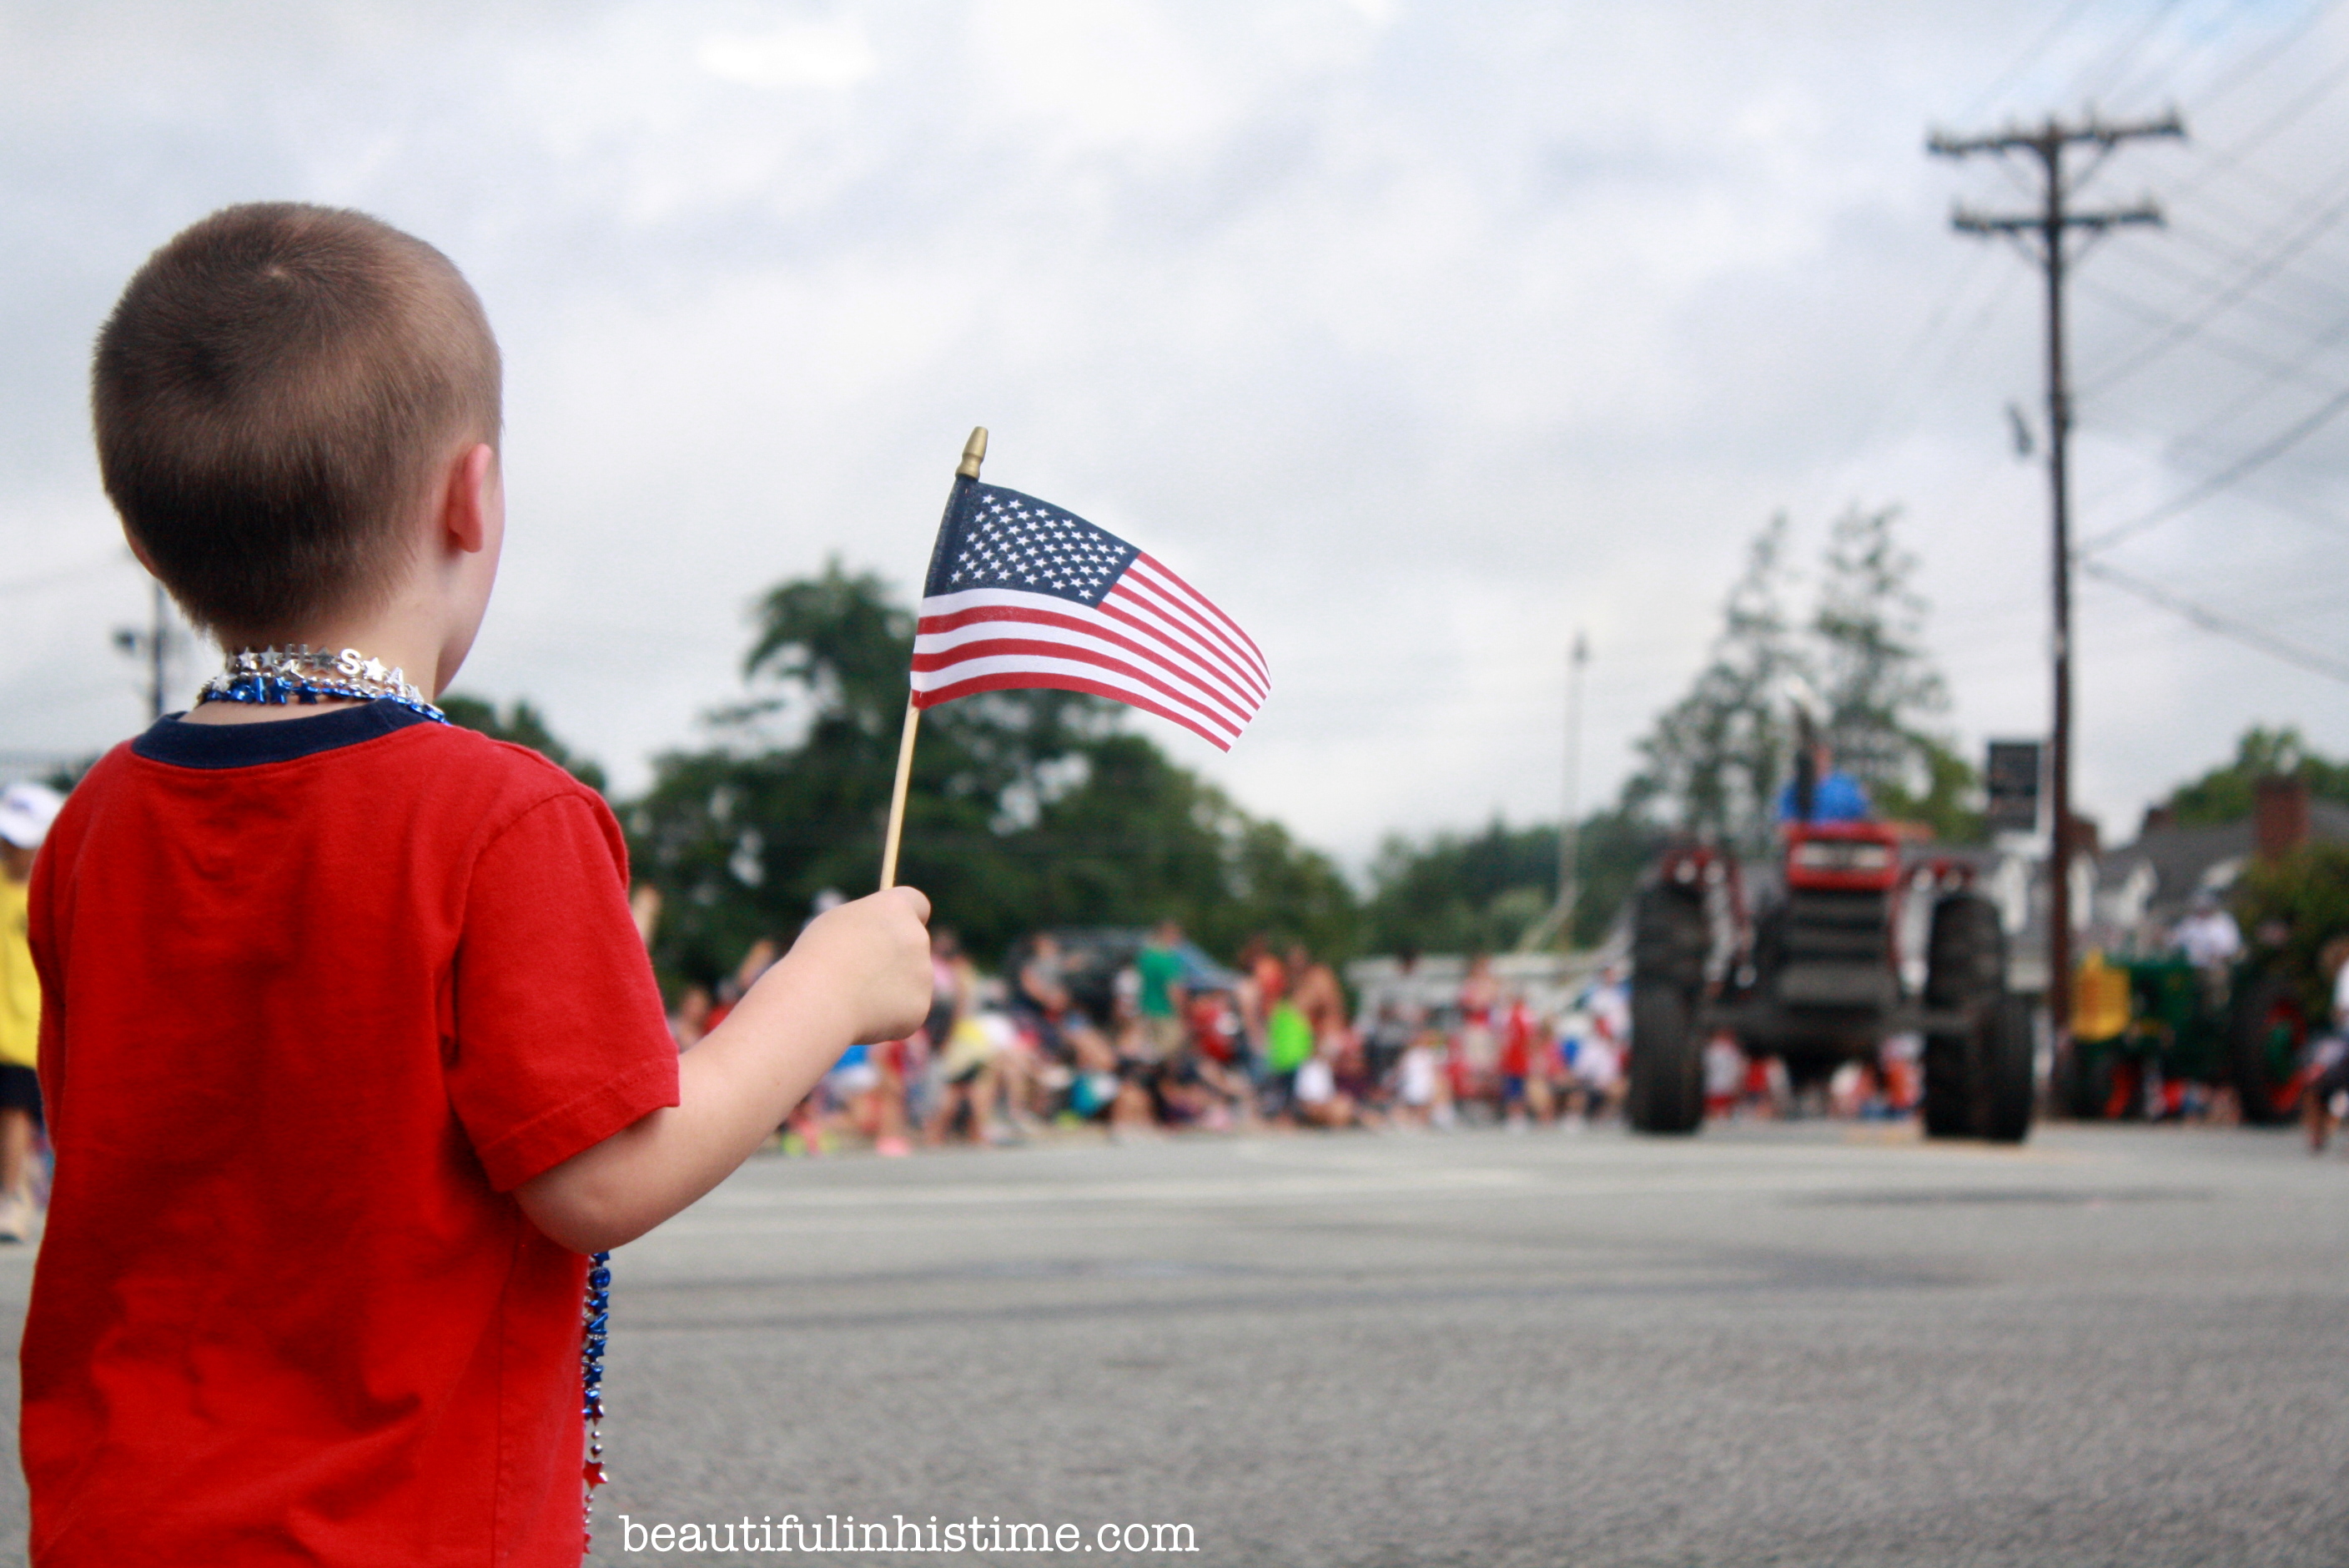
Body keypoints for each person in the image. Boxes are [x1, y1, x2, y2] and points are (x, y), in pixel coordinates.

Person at [23, 204, 934, 1566]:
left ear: (146, 550)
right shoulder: (501, 818)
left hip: (117, 1512)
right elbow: (598, 1177)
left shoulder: (95, 822)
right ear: (473, 493)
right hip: (407, 1524)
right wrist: (825, 984)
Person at [0, 781, 63, 1244]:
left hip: (31, 1027)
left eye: (18, 843)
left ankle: (12, 1198)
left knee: (15, 1114)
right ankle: (20, 1186)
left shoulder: (54, 891)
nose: (9, 850)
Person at [2173, 891, 2243, 970]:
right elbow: (2175, 941)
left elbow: (2233, 945)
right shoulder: (2188, 923)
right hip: (2195, 966)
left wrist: (2220, 956)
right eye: (2200, 906)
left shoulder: (2224, 921)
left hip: (2222, 964)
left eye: (2206, 906)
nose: (2203, 909)